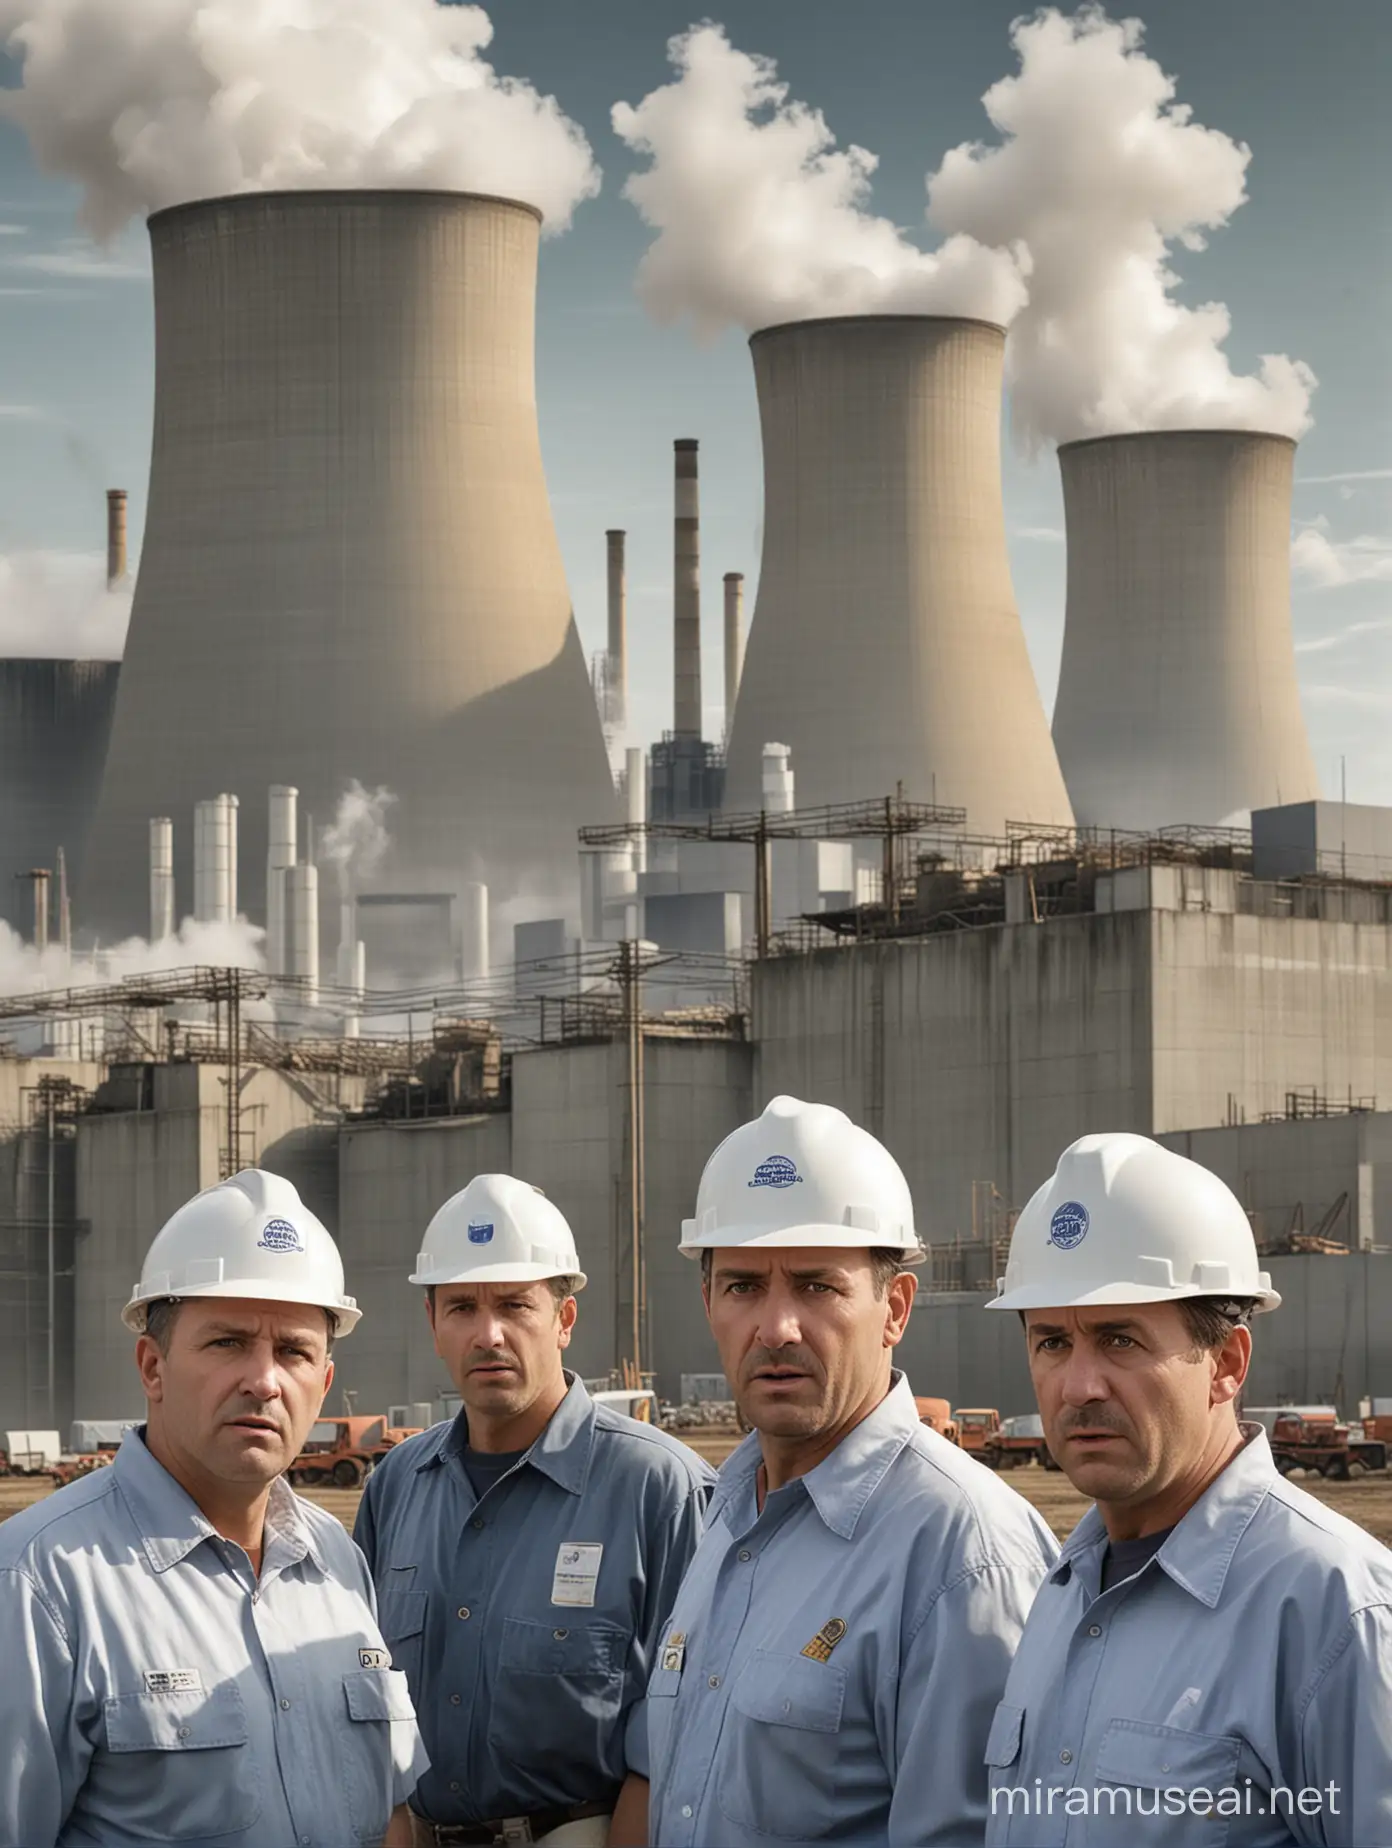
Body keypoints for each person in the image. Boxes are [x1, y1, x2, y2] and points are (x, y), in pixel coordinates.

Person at [612, 1095, 1060, 1848]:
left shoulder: (963, 1556)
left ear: (895, 1308)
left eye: (818, 1286)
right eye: (744, 1286)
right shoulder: (727, 1515)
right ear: (708, 1302)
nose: (776, 1327)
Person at [981, 1131, 1392, 1846]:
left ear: (1227, 1362)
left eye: (1121, 1340)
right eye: (1052, 1341)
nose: (1078, 1386)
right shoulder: (1062, 1593)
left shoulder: (1335, 1613)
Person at [0, 1168, 428, 1848]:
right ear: (152, 1366)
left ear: (323, 1384)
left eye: (293, 1351)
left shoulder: (338, 1565)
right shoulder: (39, 1581)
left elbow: (392, 1817)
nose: (263, 1380)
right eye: (227, 1342)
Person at [354, 1172, 715, 1848]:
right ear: (432, 1323)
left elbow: (695, 1720)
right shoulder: (398, 1484)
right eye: (461, 1307)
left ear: (564, 1320)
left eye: (516, 1306)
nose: (488, 1334)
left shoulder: (657, 1488)